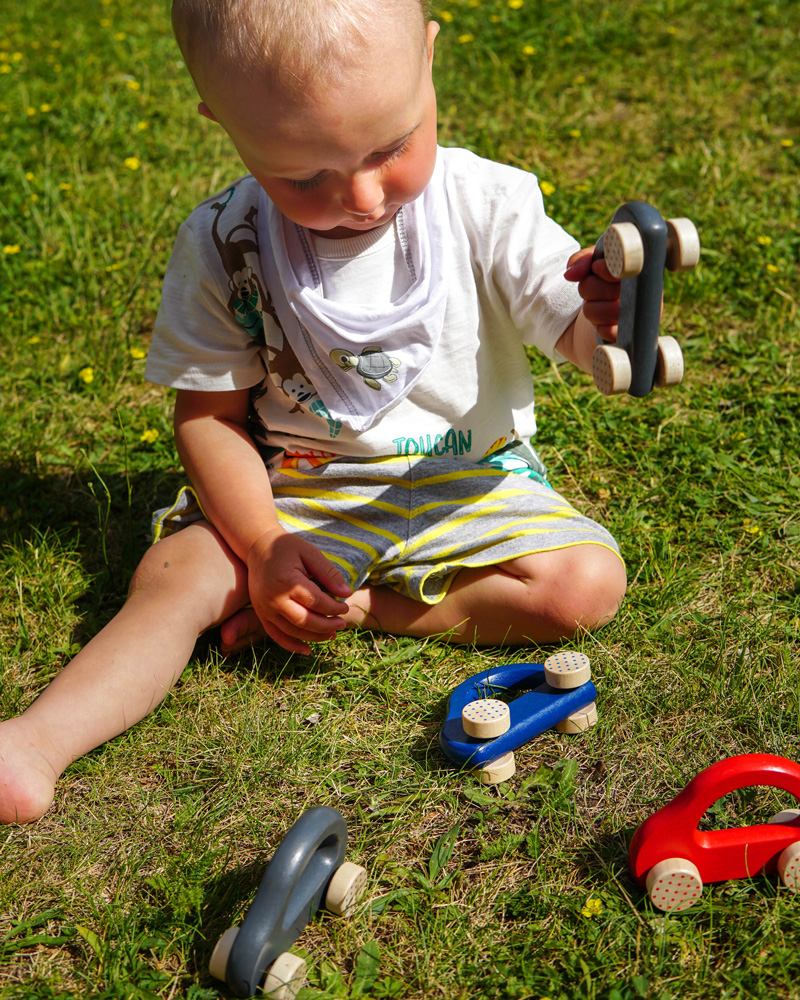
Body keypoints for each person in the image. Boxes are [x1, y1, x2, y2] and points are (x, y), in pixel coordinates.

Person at [0, 0, 628, 824]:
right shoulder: (226, 242)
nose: (362, 195)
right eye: (303, 176)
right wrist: (262, 545)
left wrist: (607, 319)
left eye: (391, 147)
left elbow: (576, 334)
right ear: (221, 123)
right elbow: (210, 420)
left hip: (468, 475)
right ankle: (34, 743)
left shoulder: (487, 203)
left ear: (428, 60)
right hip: (296, 490)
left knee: (584, 584)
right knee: (176, 579)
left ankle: (368, 607)